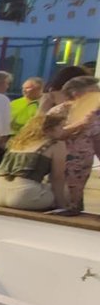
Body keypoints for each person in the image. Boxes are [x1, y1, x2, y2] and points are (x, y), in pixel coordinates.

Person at [0, 114, 68, 211]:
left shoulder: (16, 143)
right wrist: (62, 205)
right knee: (65, 190)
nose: (63, 130)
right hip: (24, 195)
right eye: (61, 126)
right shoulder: (55, 144)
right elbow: (57, 177)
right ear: (49, 129)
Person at [46, 76, 100, 212]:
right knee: (61, 200)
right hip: (61, 162)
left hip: (82, 167)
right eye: (93, 92)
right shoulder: (58, 112)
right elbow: (51, 136)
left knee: (76, 201)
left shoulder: (93, 114)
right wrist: (81, 124)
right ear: (77, 93)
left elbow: (97, 138)